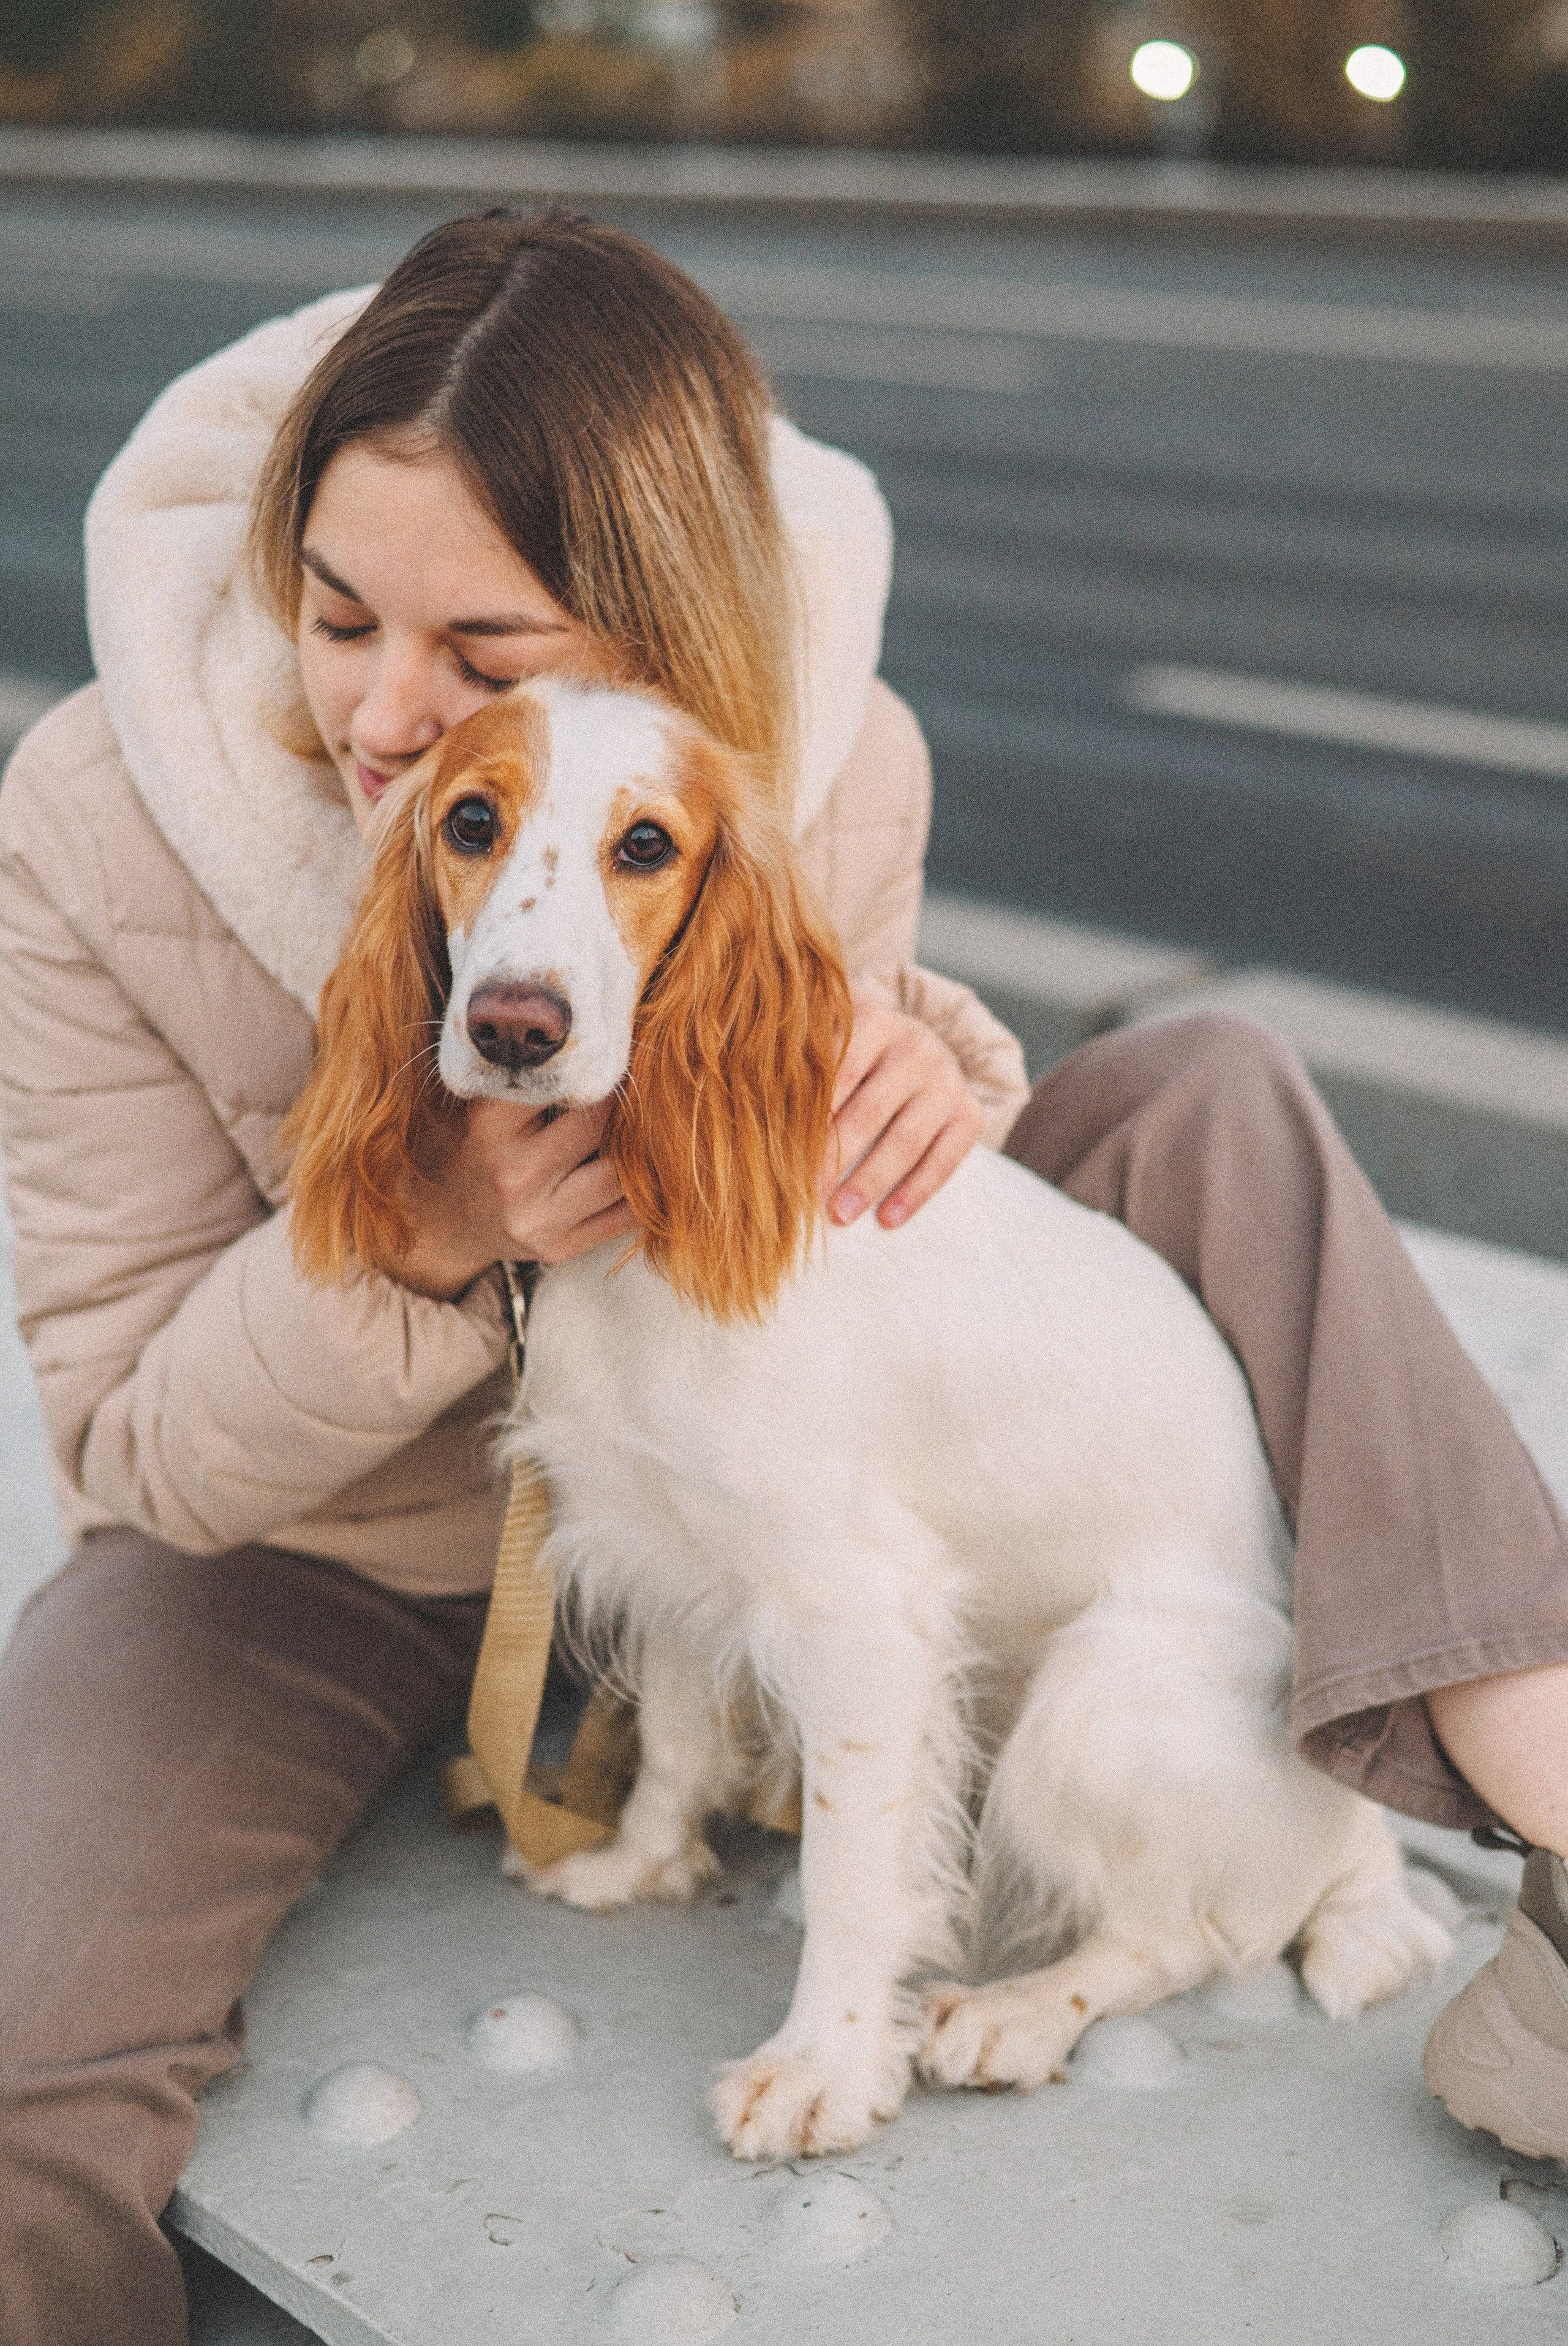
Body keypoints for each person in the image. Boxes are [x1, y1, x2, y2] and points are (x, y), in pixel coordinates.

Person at [0, 207, 1562, 2346]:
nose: (381, 708)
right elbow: (128, 1446)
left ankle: (1537, 1758)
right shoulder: (89, 820)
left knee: (1211, 1081)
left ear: (656, 630)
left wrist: (929, 1060)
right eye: (334, 611)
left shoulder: (835, 749)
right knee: (14, 2060)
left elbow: (861, 1289)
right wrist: (433, 1238)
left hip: (743, 1464)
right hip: (323, 1547)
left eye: (485, 653)